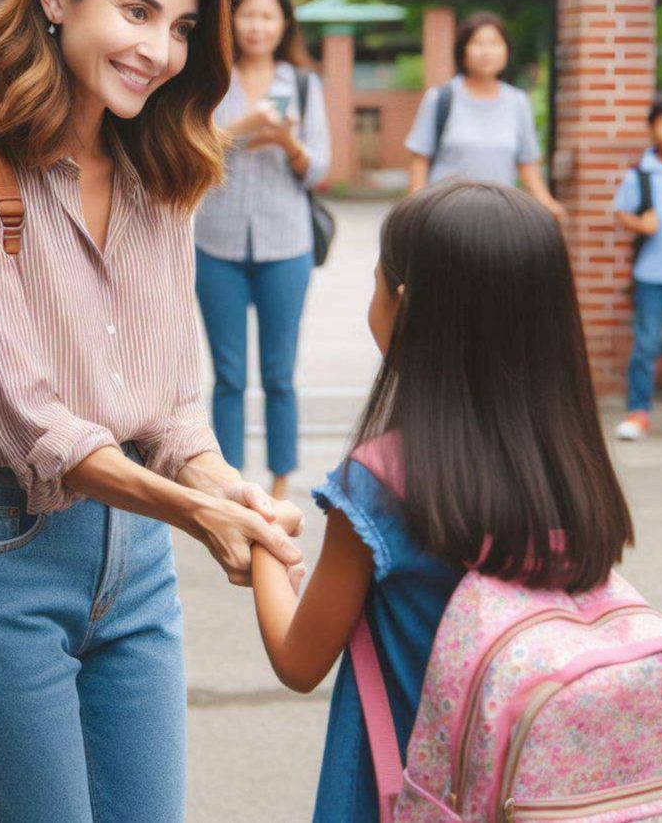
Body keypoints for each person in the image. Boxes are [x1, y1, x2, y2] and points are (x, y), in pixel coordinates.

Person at [0, 0, 305, 823]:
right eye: (136, 11)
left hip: (137, 566)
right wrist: (199, 514)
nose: (159, 50)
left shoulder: (163, 169)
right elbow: (36, 426)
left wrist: (228, 488)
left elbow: (168, 404)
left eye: (182, 27)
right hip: (0, 553)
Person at [249, 180, 634, 822]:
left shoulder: (380, 484)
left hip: (408, 798)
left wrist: (264, 538)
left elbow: (298, 658)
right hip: (533, 795)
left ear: (406, 305)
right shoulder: (571, 462)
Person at [194, 0, 331, 502]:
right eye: (248, 15)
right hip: (217, 243)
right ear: (231, 20)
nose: (257, 26)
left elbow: (319, 168)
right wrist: (244, 127)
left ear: (284, 25)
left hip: (286, 244)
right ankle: (229, 480)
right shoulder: (210, 79)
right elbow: (192, 151)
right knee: (228, 375)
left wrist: (287, 142)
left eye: (268, 17)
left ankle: (279, 481)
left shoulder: (304, 84)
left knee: (279, 374)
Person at [406, 11, 565, 220]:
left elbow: (526, 163)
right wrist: (413, 212)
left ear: (506, 51)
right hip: (445, 217)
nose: (486, 52)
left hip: (498, 217)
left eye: (494, 43)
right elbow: (420, 160)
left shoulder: (518, 102)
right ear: (463, 50)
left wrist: (547, 203)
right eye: (478, 43)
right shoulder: (439, 98)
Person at [613, 92, 662, 443]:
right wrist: (639, 224)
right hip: (652, 276)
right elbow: (621, 213)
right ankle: (638, 412)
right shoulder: (641, 174)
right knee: (646, 346)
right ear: (652, 127)